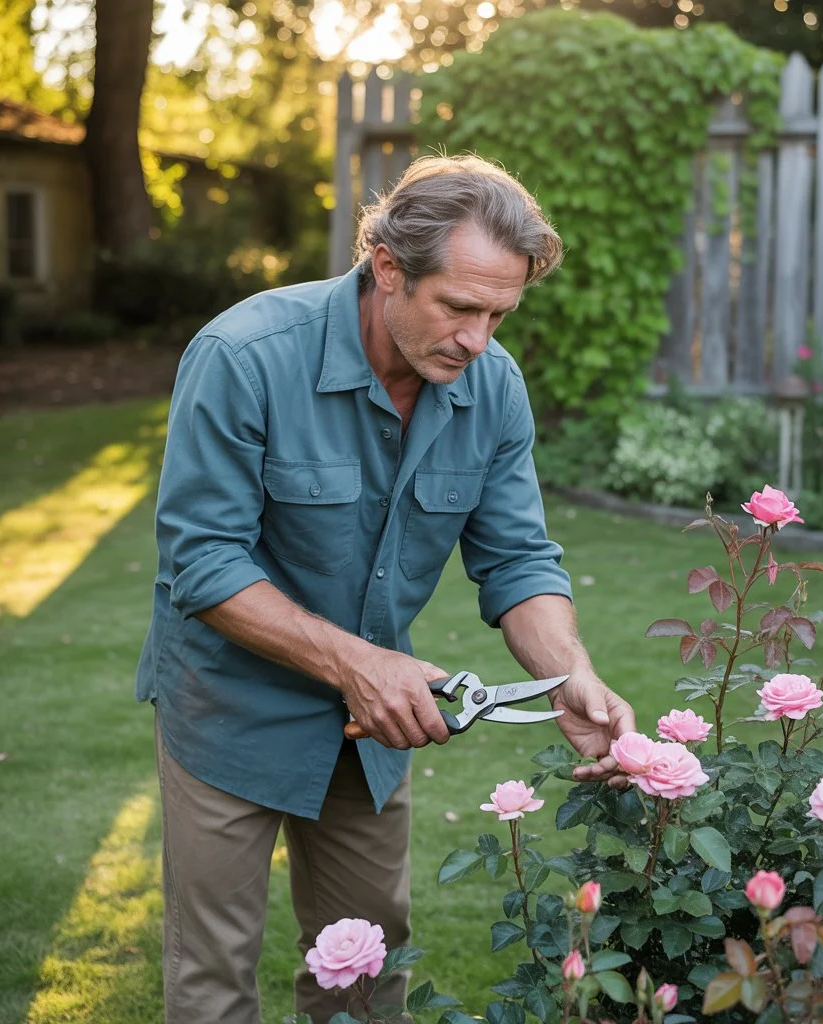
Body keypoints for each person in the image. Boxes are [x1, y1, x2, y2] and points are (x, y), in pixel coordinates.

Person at [135, 154, 636, 1024]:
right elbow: (203, 561)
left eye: (498, 314)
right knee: (214, 979)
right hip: (228, 713)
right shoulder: (243, 356)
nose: (478, 339)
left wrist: (571, 675)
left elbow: (517, 558)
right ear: (388, 267)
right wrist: (361, 664)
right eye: (460, 308)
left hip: (371, 732)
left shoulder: (493, 386)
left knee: (366, 977)